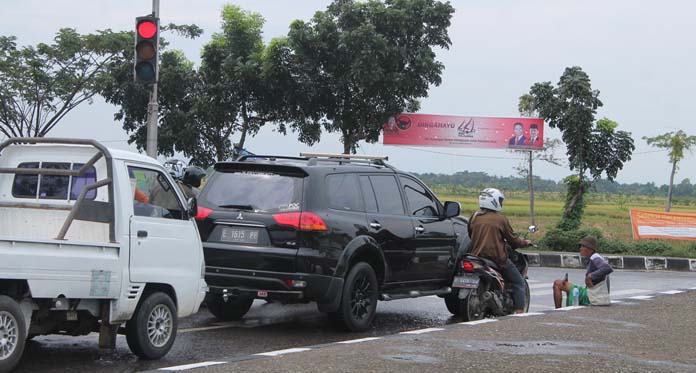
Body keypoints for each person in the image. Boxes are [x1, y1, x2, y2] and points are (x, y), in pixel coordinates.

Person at [468, 187, 532, 314]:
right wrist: (525, 242)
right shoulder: (500, 219)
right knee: (519, 282)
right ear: (494, 201)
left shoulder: (474, 216)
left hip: (476, 256)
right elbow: (513, 240)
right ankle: (520, 313)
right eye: (500, 200)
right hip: (496, 258)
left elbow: (471, 234)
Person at [553, 236, 614, 308]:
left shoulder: (595, 257)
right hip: (592, 293)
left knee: (557, 283)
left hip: (592, 296)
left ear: (590, 249)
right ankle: (559, 309)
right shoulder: (592, 258)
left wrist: (590, 276)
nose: (580, 249)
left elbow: (608, 268)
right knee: (562, 283)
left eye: (583, 246)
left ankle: (558, 310)